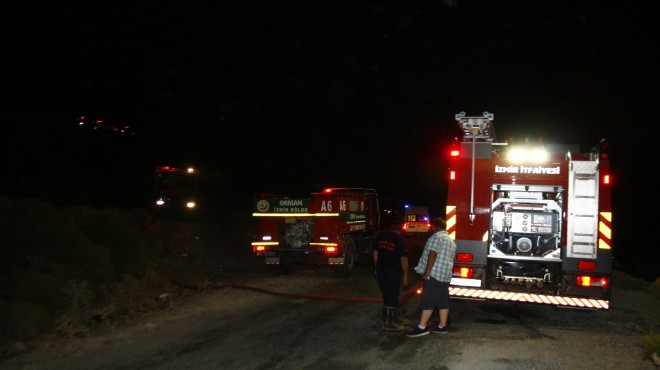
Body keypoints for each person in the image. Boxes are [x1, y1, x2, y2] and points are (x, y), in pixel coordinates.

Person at [407, 217, 457, 337]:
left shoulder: (436, 237)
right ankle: (442, 326)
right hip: (445, 276)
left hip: (434, 275)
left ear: (434, 227)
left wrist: (426, 272)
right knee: (442, 300)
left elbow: (432, 254)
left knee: (428, 299)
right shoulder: (451, 241)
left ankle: (422, 327)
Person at [373, 214, 409, 331]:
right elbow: (403, 259)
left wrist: (376, 267)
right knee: (392, 297)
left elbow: (375, 253)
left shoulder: (381, 236)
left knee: (387, 295)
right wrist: (405, 276)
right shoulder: (400, 240)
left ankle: (393, 317)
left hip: (381, 270)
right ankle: (388, 323)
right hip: (393, 272)